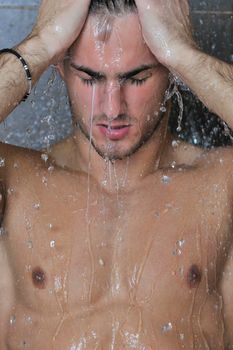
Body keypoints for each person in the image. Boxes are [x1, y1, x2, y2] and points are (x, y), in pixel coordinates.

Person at [0, 0, 233, 348]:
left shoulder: (219, 184)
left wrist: (184, 54)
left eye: (137, 78)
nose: (112, 108)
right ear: (60, 67)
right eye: (90, 78)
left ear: (170, 71)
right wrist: (41, 45)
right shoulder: (17, 181)